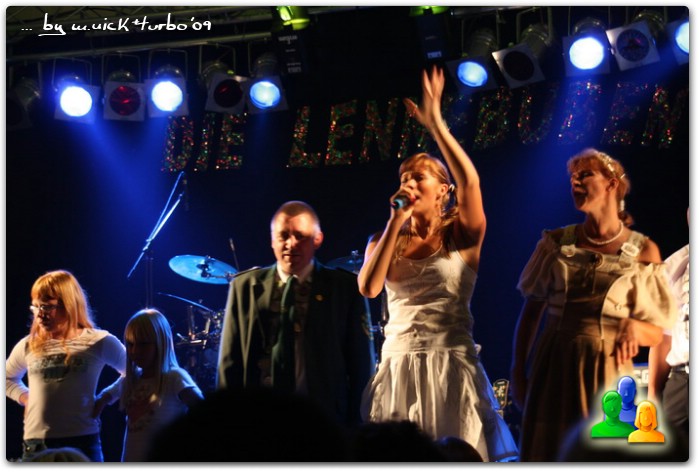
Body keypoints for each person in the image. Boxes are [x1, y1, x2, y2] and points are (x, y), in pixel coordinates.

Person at [357, 66, 517, 462]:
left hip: (450, 362)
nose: (409, 184)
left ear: (443, 190)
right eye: (404, 179)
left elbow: (471, 183)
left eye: (419, 178)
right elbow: (369, 288)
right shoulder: (384, 238)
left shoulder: (462, 234)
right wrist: (395, 220)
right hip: (399, 364)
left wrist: (436, 126)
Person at [510, 148, 677, 461]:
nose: (575, 182)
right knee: (549, 451)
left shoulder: (643, 250)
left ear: (612, 184)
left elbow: (659, 332)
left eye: (585, 175)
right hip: (555, 366)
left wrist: (635, 326)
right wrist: (518, 372)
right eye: (572, 177)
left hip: (606, 369)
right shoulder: (556, 242)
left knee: (599, 455)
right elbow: (531, 315)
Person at [216, 200, 376, 426]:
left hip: (325, 419)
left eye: (300, 236)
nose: (291, 244)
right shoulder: (245, 287)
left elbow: (361, 363)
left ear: (317, 239)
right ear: (272, 240)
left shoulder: (345, 288)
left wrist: (355, 426)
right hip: (258, 419)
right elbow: (229, 363)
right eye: (283, 236)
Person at [5, 270, 127, 462]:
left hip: (82, 440)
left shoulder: (98, 340)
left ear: (69, 304)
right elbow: (6, 377)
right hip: (37, 443)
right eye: (35, 307)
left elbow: (134, 371)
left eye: (47, 307)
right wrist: (25, 397)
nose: (40, 315)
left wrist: (106, 397)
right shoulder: (29, 344)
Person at [96, 308, 204, 461]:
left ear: (161, 343)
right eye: (130, 344)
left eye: (143, 344)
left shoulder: (174, 377)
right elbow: (104, 397)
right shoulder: (132, 379)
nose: (134, 351)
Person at [647, 217, 689, 453]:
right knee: (669, 453)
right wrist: (653, 394)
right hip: (681, 382)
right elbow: (663, 336)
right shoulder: (675, 264)